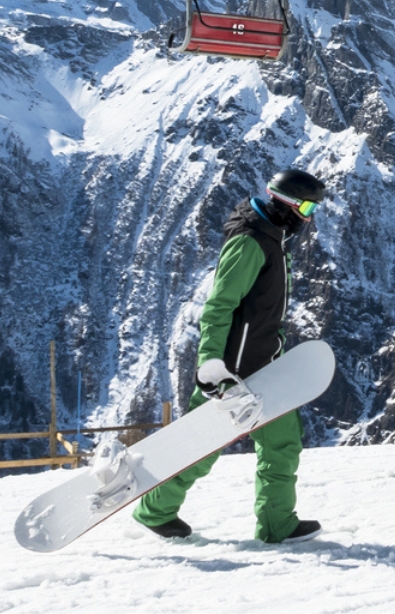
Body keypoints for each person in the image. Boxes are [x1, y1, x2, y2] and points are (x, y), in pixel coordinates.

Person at [131, 168, 327, 544]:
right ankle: (154, 510)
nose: (308, 216)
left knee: (282, 445)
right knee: (200, 446)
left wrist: (276, 346)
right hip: (234, 373)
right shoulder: (251, 242)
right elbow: (219, 307)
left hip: (266, 367)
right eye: (306, 207)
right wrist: (212, 366)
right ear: (286, 204)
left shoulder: (272, 238)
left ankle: (277, 523)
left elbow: (261, 311)